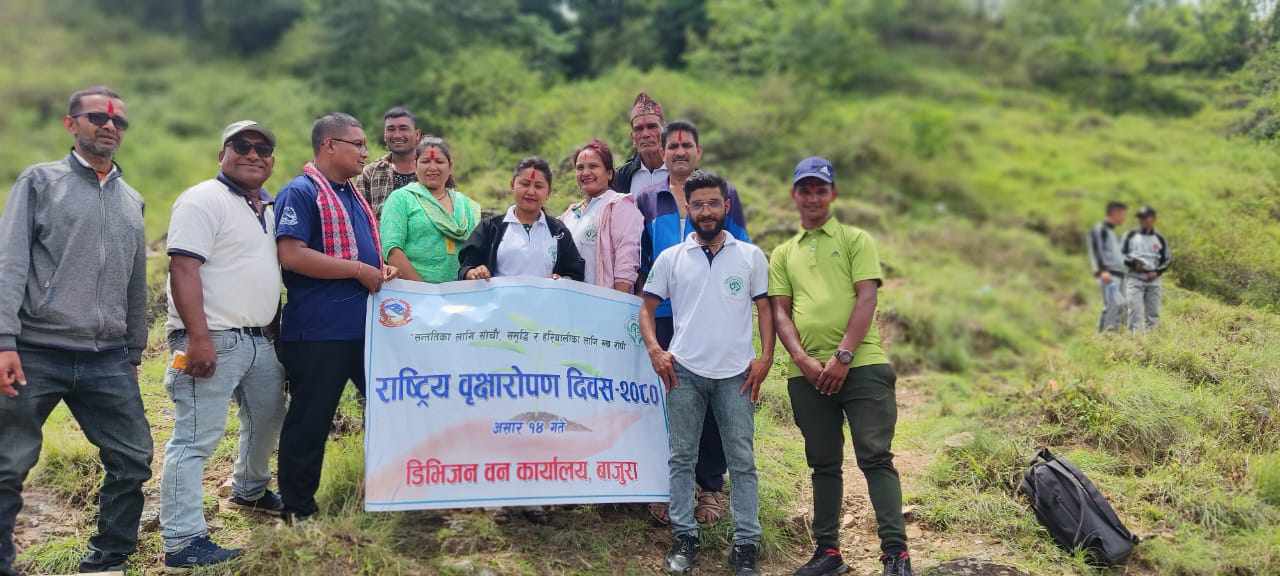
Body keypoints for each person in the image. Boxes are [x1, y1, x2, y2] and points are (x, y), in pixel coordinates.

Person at [0, 86, 153, 575]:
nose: (109, 126)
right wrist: (4, 340)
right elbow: (11, 262)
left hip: (107, 358)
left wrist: (133, 352)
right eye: (96, 117)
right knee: (8, 465)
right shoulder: (39, 182)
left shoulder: (133, 200)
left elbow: (134, 281)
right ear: (71, 125)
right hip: (35, 349)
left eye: (118, 122)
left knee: (132, 458)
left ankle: (109, 558)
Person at [770, 157, 914, 576]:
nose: (812, 197)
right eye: (805, 189)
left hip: (863, 366)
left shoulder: (855, 239)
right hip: (806, 374)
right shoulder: (783, 253)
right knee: (823, 463)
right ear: (794, 195)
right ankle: (829, 553)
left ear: (832, 194)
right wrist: (803, 360)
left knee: (875, 458)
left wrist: (842, 357)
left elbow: (866, 298)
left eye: (820, 189)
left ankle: (896, 554)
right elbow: (781, 312)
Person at [158, 120, 289, 570]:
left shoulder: (267, 209)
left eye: (264, 148)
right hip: (210, 337)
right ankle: (182, 540)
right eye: (242, 146)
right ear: (222, 154)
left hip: (258, 339)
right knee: (195, 439)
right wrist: (197, 338)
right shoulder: (202, 199)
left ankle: (249, 490)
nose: (254, 154)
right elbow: (183, 269)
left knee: (269, 419)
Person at [641, 170, 773, 576]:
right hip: (684, 373)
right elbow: (646, 307)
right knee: (682, 457)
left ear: (726, 206)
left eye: (713, 203)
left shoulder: (750, 256)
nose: (706, 211)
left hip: (737, 375)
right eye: (697, 204)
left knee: (743, 460)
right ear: (688, 208)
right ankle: (685, 537)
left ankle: (746, 543)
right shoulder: (671, 258)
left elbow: (765, 309)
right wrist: (656, 351)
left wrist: (765, 358)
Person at [274, 113, 399, 523]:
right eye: (358, 144)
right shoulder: (302, 192)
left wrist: (378, 268)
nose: (366, 152)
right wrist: (358, 270)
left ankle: (390, 491)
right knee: (312, 419)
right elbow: (292, 254)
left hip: (363, 329)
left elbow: (365, 255)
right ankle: (298, 509)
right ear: (329, 145)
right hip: (320, 331)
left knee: (389, 409)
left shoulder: (350, 194)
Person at [637, 120, 748, 526]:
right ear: (662, 154)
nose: (679, 151)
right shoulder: (647, 201)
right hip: (665, 318)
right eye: (673, 146)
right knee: (668, 404)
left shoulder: (723, 195)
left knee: (714, 402)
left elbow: (742, 255)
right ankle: (668, 487)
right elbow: (641, 260)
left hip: (710, 317)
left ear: (698, 151)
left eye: (687, 145)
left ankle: (712, 488)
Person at [458, 157, 585, 282]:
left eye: (539, 186)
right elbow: (467, 267)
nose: (530, 191)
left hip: (546, 303)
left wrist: (562, 280)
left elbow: (575, 273)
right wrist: (474, 272)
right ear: (512, 185)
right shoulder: (490, 227)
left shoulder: (558, 231)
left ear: (548, 193)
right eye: (525, 184)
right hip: (501, 303)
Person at [379, 136, 482, 283]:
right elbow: (392, 250)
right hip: (413, 292)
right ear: (415, 165)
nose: (432, 168)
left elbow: (476, 251)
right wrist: (426, 292)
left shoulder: (466, 204)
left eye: (439, 162)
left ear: (450, 166)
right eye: (425, 161)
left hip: (460, 293)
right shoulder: (401, 198)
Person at [560, 138, 644, 291]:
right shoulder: (569, 214)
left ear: (610, 173)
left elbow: (626, 261)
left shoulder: (619, 205)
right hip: (569, 303)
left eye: (593, 166)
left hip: (604, 303)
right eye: (580, 168)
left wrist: (618, 304)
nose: (585, 173)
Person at [355, 106, 422, 217]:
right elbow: (361, 217)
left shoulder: (431, 169)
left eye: (403, 128)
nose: (397, 135)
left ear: (417, 135)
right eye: (391, 129)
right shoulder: (369, 173)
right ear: (385, 135)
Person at [1122, 206, 1170, 332]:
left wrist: (1157, 272)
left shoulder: (1160, 238)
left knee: (1153, 314)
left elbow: (1167, 259)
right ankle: (1135, 342)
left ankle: (1152, 342)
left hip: (1154, 280)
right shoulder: (1130, 235)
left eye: (1145, 217)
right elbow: (1121, 255)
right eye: (1140, 218)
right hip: (1135, 278)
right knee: (1134, 312)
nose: (1142, 220)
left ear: (1153, 219)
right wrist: (1133, 264)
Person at [611, 92, 668, 196]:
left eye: (652, 126)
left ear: (664, 132)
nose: (645, 134)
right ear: (633, 138)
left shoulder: (683, 172)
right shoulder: (620, 177)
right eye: (639, 129)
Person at [1086, 201, 1129, 332]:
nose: (1124, 218)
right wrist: (1103, 271)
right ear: (1115, 213)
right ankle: (1105, 338)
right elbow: (1096, 250)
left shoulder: (1111, 232)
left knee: (1121, 306)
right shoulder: (1100, 229)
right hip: (1109, 274)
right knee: (1112, 306)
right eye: (1123, 214)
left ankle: (1112, 337)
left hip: (1119, 274)